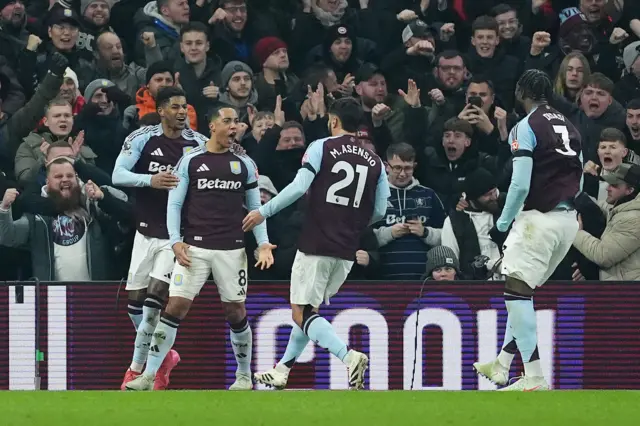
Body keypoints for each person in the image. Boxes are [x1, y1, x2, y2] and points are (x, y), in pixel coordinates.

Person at [124, 106, 276, 391]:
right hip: (194, 248)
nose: (234, 127)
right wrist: (175, 241)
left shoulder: (244, 163)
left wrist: (263, 243)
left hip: (231, 249)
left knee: (235, 311)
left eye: (236, 122)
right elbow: (175, 204)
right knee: (174, 307)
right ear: (213, 125)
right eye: (228, 121)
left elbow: (256, 208)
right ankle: (149, 374)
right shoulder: (190, 160)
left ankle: (244, 376)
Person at [243, 97, 391, 390]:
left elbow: (300, 187)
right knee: (308, 309)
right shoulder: (375, 160)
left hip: (317, 241)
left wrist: (263, 211)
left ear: (333, 121)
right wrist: (353, 223)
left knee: (301, 311)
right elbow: (381, 211)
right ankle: (283, 369)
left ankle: (348, 356)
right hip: (347, 248)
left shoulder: (322, 146)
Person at [472, 70, 583, 391]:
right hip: (567, 221)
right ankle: (502, 364)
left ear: (521, 92)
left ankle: (534, 377)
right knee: (521, 293)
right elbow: (581, 175)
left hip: (540, 219)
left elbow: (519, 185)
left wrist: (502, 226)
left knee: (516, 294)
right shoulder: (570, 126)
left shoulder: (526, 126)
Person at [112, 86, 208, 391]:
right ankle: (164, 357)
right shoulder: (142, 138)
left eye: (185, 107)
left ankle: (137, 371)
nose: (182, 112)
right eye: (176, 107)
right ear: (162, 110)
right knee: (135, 304)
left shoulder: (198, 144)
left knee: (154, 302)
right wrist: (149, 180)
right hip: (144, 232)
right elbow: (118, 175)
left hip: (176, 235)